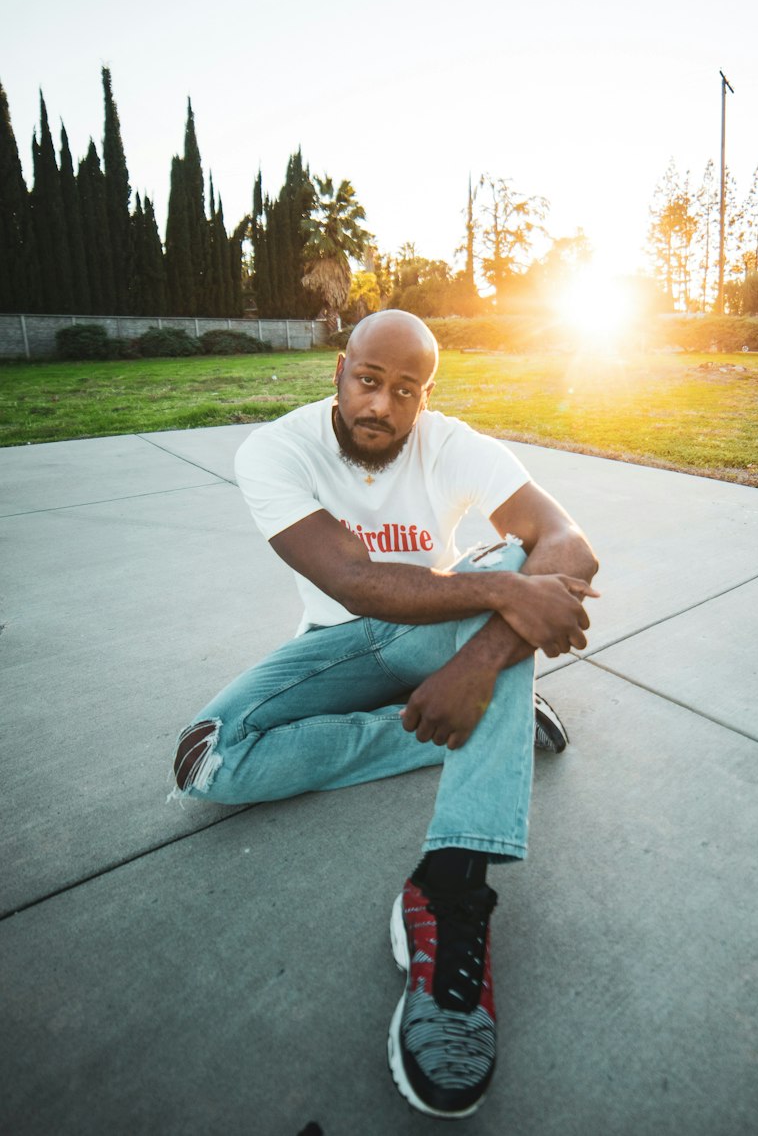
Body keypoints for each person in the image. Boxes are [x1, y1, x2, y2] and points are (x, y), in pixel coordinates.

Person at [171, 309, 599, 1120]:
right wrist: (508, 597)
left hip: (430, 643)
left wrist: (473, 662)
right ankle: (471, 729)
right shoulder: (275, 450)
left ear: (425, 395)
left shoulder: (450, 442)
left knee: (519, 564)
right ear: (341, 369)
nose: (383, 406)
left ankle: (449, 890)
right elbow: (356, 583)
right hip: (336, 644)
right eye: (369, 381)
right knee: (208, 760)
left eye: (406, 391)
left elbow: (568, 543)